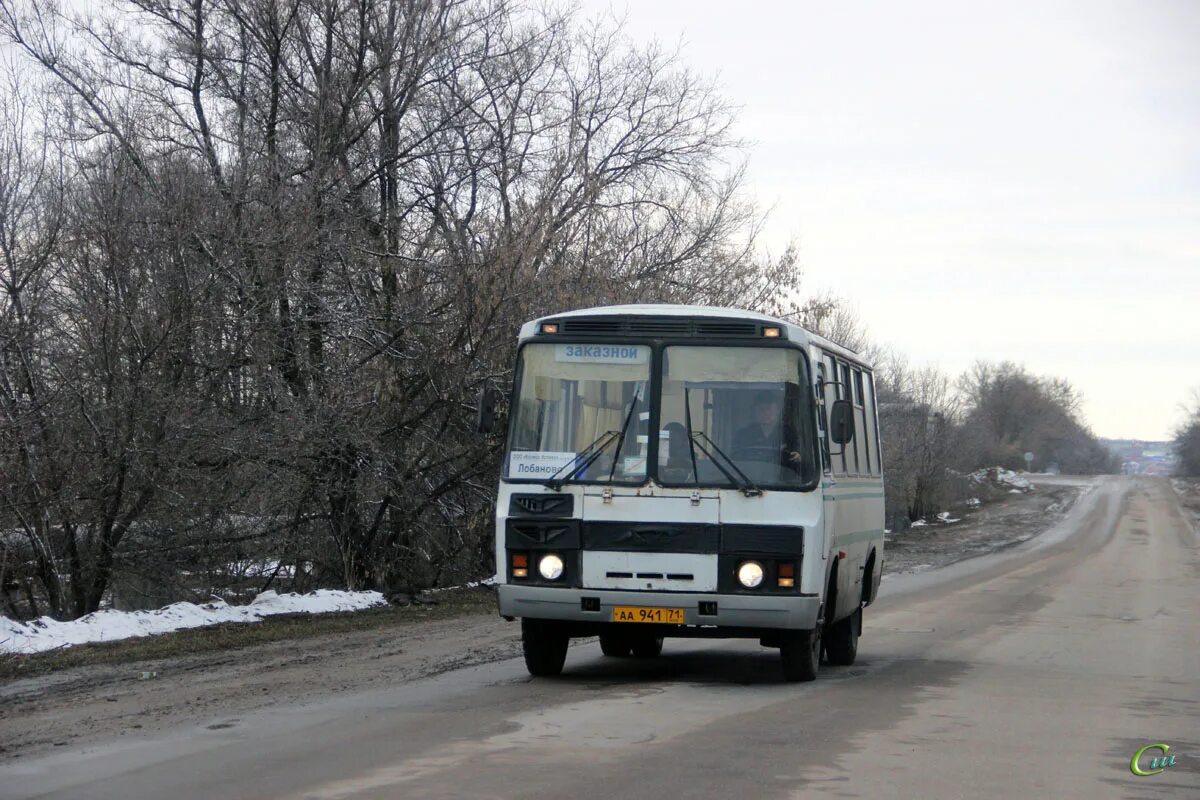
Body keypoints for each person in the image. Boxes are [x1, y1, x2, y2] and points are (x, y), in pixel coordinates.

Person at [733, 390, 805, 470]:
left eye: (769, 409)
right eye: (761, 409)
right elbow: (735, 459)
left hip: (783, 478)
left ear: (777, 410)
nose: (765, 413)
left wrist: (798, 456)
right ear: (755, 411)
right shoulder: (743, 435)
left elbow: (800, 456)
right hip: (749, 477)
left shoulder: (790, 433)